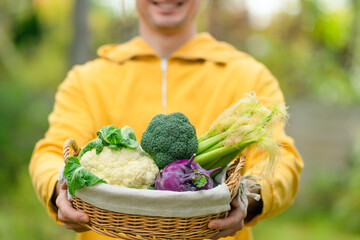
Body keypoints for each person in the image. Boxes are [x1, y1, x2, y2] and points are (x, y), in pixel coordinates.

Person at [29, 0, 303, 240]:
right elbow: (51, 152)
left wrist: (248, 198)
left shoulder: (249, 77)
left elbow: (284, 161)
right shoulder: (86, 80)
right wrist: (58, 188)